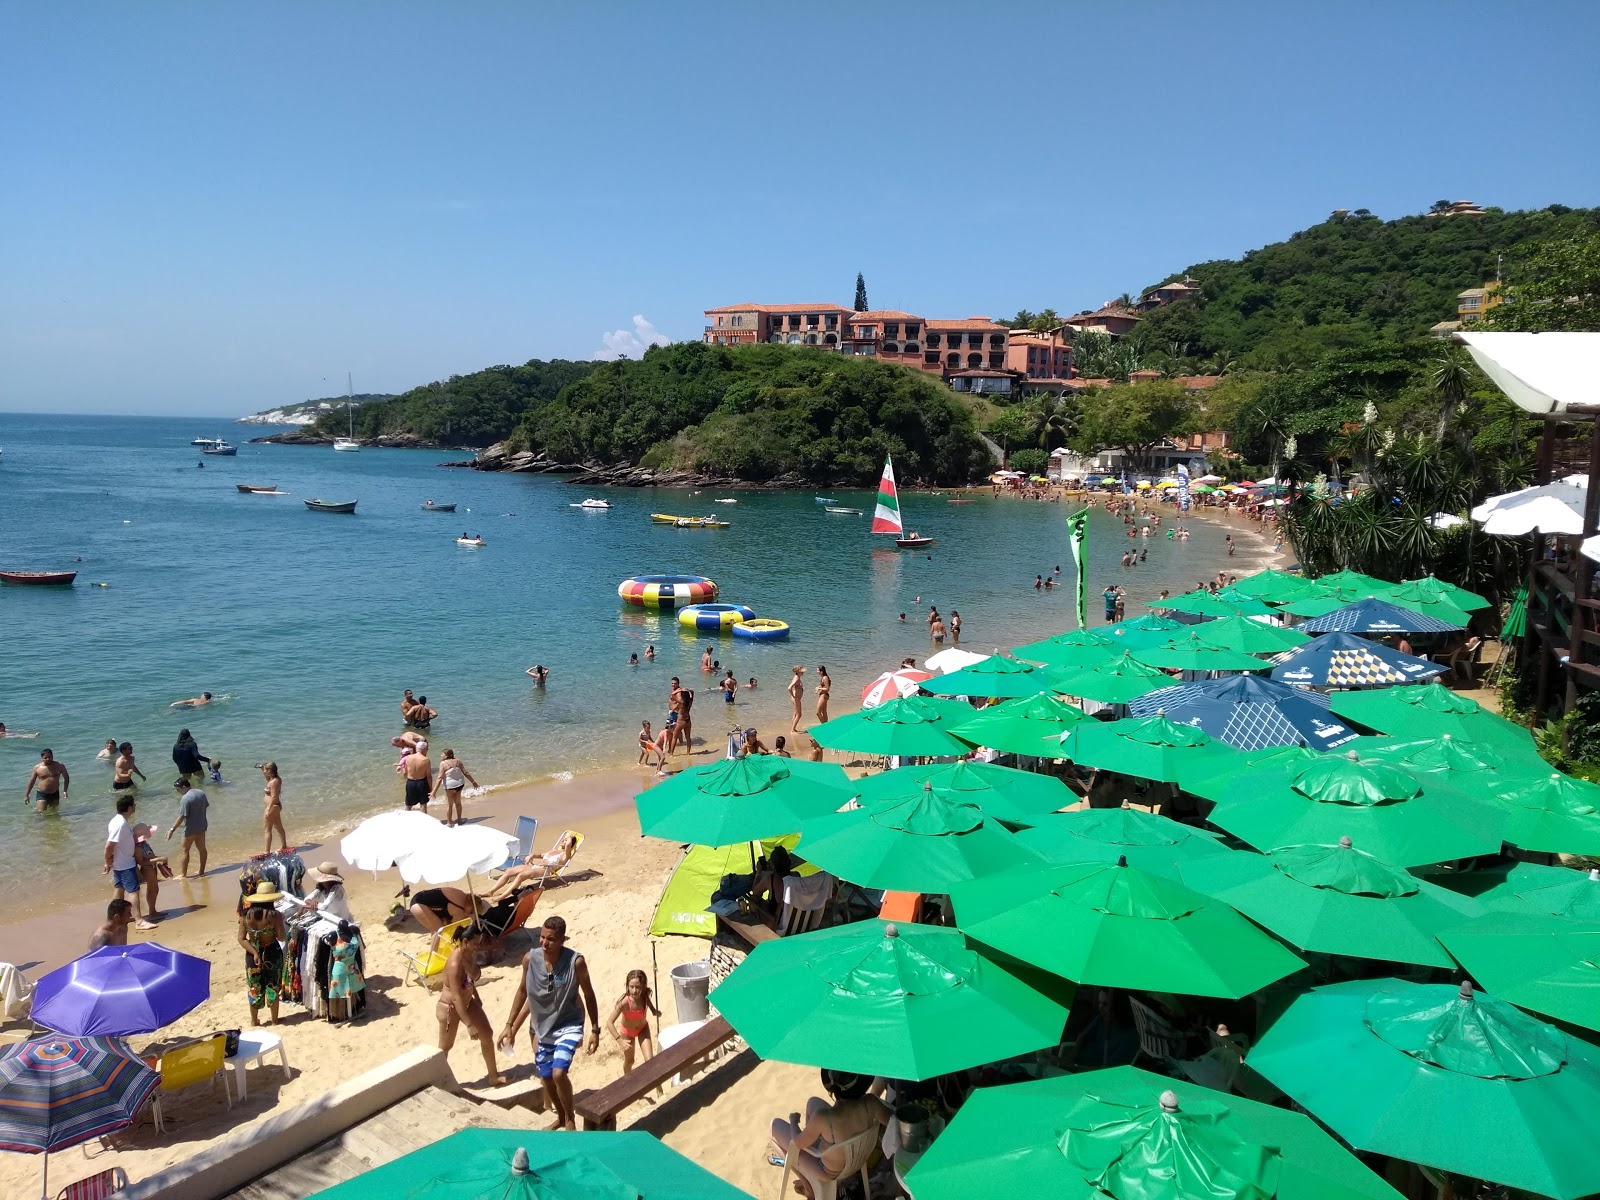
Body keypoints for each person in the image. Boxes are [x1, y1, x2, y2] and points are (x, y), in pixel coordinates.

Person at [499, 916, 600, 1130]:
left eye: (551, 939)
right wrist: (510, 1025)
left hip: (569, 1024)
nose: (544, 943)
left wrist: (594, 1029)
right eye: (542, 937)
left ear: (562, 939)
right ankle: (561, 1117)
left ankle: (570, 1118)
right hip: (542, 1027)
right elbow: (523, 992)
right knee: (546, 1077)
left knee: (558, 1073)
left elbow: (589, 995)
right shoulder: (530, 959)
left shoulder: (576, 962)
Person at [768, 1072, 891, 1186]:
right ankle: (812, 1140)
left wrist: (793, 1121)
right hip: (858, 1159)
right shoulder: (872, 1102)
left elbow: (797, 1142)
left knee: (774, 1127)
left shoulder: (823, 1117)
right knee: (813, 1102)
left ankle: (807, 1185)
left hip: (828, 1172)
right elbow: (893, 1121)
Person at [440, 924, 507, 1085]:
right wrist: (469, 1025)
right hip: (450, 1007)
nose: (478, 947)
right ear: (465, 941)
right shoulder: (454, 964)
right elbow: (456, 997)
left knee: (487, 1034)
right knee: (445, 1047)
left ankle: (493, 1076)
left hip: (468, 1002)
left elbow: (470, 979)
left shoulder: (469, 955)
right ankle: (440, 1082)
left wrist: (476, 996)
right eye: (475, 943)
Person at [104, 795, 156, 929]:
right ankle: (139, 921)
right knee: (133, 891)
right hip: (125, 863)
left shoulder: (116, 821)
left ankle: (116, 917)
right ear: (129, 808)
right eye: (134, 805)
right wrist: (107, 861)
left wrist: (110, 860)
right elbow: (109, 845)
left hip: (119, 863)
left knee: (119, 889)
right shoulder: (120, 824)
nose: (135, 807)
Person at [239, 880, 287, 1025]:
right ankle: (274, 1020)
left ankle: (254, 1020)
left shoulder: (245, 916)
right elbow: (281, 937)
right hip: (272, 952)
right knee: (273, 985)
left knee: (254, 987)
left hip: (252, 955)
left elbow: (241, 939)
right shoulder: (274, 916)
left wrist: (254, 953)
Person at [483, 832, 580, 900]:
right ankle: (490, 891)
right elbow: (541, 855)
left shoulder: (565, 855)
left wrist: (570, 837)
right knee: (509, 871)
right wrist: (532, 855)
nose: (563, 840)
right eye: (563, 839)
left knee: (521, 875)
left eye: (565, 840)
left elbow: (568, 845)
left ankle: (503, 896)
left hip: (546, 870)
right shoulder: (554, 850)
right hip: (537, 866)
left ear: (570, 843)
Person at [606, 969, 661, 1075]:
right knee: (630, 1061)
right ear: (627, 986)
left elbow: (650, 1006)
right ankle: (627, 1080)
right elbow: (609, 1022)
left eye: (638, 987)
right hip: (627, 1033)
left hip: (642, 1029)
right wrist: (620, 1040)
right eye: (631, 987)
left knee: (650, 1060)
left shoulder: (644, 997)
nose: (634, 990)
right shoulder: (624, 1003)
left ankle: (657, 1084)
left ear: (643, 986)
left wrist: (655, 1012)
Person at [167, 777, 209, 876]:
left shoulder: (185, 798)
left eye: (178, 789)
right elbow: (205, 806)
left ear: (184, 787)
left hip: (190, 829)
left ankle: (183, 875)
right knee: (202, 849)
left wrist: (172, 829)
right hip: (202, 826)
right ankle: (201, 872)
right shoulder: (201, 793)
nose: (177, 792)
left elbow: (182, 816)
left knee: (185, 851)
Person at [327, 920, 365, 1022]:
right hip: (340, 969)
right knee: (340, 993)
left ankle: (351, 1012)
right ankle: (342, 1014)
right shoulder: (333, 935)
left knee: (352, 990)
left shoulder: (354, 932)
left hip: (353, 967)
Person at [432, 747, 479, 827]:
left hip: (449, 787)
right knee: (458, 803)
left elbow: (439, 778)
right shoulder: (458, 761)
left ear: (447, 755)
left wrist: (434, 791)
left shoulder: (443, 764)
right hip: (459, 785)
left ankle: (449, 823)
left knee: (449, 805)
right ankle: (459, 821)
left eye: (442, 754)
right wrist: (473, 782)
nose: (441, 755)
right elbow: (465, 772)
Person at [410, 885, 483, 932]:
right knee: (438, 930)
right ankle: (434, 952)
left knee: (437, 926)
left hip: (419, 897)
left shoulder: (461, 895)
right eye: (471, 912)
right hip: (419, 906)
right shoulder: (458, 909)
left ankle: (435, 947)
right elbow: (453, 930)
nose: (469, 914)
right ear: (471, 905)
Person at [257, 761, 288, 853]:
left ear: (270, 770)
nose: (264, 771)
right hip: (275, 807)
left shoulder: (274, 782)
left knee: (267, 829)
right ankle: (284, 846)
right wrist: (263, 770)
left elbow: (274, 797)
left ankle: (267, 852)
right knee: (278, 827)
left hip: (272, 807)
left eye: (265, 770)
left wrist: (268, 809)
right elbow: (267, 780)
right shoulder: (273, 779)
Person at [25, 748, 68, 813]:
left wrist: (65, 791)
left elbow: (66, 778)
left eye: (49, 757)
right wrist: (27, 795)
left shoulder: (59, 766)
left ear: (52, 756)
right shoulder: (37, 768)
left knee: (54, 813)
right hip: (42, 794)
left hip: (55, 793)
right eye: (45, 758)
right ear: (42, 758)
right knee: (40, 813)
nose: (48, 759)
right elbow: (32, 781)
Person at [402, 740, 433, 812]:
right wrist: (431, 788)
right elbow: (429, 776)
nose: (427, 751)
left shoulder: (408, 758)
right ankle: (423, 821)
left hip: (410, 782)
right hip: (421, 782)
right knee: (423, 804)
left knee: (408, 804)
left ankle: (405, 819)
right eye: (427, 749)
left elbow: (406, 771)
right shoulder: (426, 760)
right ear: (423, 749)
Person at [675, 679, 695, 754]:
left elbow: (672, 695)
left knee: (674, 736)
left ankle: (671, 754)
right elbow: (692, 692)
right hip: (688, 720)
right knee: (688, 738)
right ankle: (688, 752)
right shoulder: (690, 701)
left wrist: (679, 690)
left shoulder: (681, 702)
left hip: (681, 721)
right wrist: (688, 690)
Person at [788, 666, 806, 732]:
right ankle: (793, 729)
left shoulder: (797, 677)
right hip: (796, 699)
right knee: (799, 715)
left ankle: (793, 728)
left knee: (795, 713)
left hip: (796, 698)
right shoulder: (796, 678)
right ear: (798, 671)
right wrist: (794, 696)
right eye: (802, 671)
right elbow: (789, 688)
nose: (803, 673)